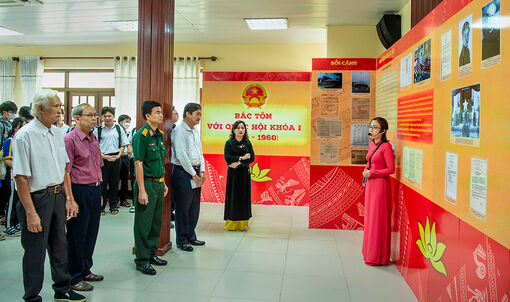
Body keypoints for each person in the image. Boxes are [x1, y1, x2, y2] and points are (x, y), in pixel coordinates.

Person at [13, 89, 85, 302]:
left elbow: (64, 169)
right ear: (41, 108)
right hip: (37, 199)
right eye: (56, 106)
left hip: (58, 195)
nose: (60, 110)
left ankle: (62, 289)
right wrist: (30, 213)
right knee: (35, 250)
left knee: (59, 246)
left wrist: (69, 199)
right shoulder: (24, 136)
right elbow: (21, 177)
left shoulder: (57, 133)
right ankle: (32, 295)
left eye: (60, 106)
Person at [64, 104, 104, 292]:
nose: (94, 118)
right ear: (77, 118)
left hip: (94, 190)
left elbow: (97, 166)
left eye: (95, 115)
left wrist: (100, 192)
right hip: (79, 190)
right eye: (89, 115)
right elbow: (66, 172)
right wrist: (69, 199)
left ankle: (85, 268)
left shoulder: (93, 138)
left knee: (91, 232)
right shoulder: (70, 140)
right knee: (77, 235)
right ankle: (74, 276)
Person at [132, 100, 169, 275]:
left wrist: (164, 182)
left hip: (159, 184)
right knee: (143, 224)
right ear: (148, 116)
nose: (161, 115)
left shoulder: (159, 134)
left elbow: (160, 161)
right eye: (157, 112)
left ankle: (152, 253)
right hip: (146, 183)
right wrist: (141, 190)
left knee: (156, 223)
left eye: (161, 112)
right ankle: (141, 260)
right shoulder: (141, 135)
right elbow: (138, 163)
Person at [171, 103, 206, 252]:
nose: (199, 117)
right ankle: (182, 240)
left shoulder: (195, 130)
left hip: (195, 172)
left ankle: (191, 235)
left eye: (200, 114)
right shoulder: (180, 131)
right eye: (197, 114)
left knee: (194, 207)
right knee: (183, 208)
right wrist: (193, 174)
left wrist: (202, 171)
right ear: (188, 114)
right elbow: (181, 155)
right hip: (183, 173)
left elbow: (200, 151)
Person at [362, 117, 395, 266]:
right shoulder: (371, 145)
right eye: (370, 127)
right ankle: (369, 252)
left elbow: (391, 169)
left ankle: (377, 256)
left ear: (383, 131)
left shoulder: (386, 147)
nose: (371, 130)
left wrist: (373, 173)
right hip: (370, 184)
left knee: (377, 219)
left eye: (375, 127)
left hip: (380, 186)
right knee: (370, 218)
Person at [93, 106, 129, 215]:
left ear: (113, 116)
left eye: (110, 116)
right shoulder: (98, 130)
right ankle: (101, 207)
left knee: (114, 183)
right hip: (103, 159)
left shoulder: (118, 129)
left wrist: (118, 155)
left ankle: (113, 206)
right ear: (101, 117)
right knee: (102, 184)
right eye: (105, 116)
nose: (107, 118)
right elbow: (94, 147)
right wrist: (104, 156)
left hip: (116, 158)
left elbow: (123, 143)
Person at [223, 120, 255, 231]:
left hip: (244, 173)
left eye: (243, 128)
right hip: (233, 174)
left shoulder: (247, 143)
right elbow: (227, 158)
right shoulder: (229, 143)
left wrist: (238, 162)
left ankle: (243, 224)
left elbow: (252, 158)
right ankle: (231, 224)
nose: (241, 130)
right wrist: (241, 158)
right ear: (234, 130)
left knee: (243, 197)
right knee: (233, 197)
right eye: (238, 128)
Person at [2, 117, 26, 237]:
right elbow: (7, 160)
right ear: (16, 127)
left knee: (19, 200)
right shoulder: (10, 141)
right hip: (12, 176)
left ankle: (17, 224)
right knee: (12, 201)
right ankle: (9, 226)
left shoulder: (22, 140)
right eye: (22, 125)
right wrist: (19, 168)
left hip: (22, 176)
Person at [0, 101, 17, 221]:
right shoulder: (1, 124)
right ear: (4, 112)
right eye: (11, 112)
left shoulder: (8, 124)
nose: (13, 115)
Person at [118, 114, 133, 208]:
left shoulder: (128, 132)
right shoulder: (116, 131)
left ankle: (123, 200)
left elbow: (130, 144)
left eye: (129, 122)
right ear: (121, 122)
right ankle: (114, 200)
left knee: (125, 180)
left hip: (126, 158)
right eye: (126, 122)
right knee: (115, 180)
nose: (128, 124)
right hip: (117, 157)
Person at [170, 106, 179, 226]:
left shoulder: (175, 128)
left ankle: (171, 212)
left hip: (174, 163)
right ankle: (166, 215)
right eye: (175, 113)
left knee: (174, 192)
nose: (177, 115)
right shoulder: (166, 129)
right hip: (168, 163)